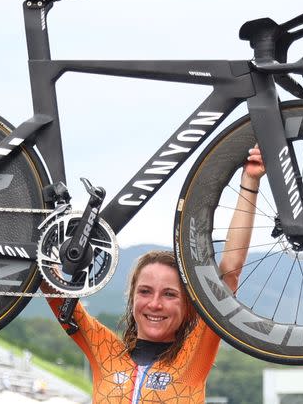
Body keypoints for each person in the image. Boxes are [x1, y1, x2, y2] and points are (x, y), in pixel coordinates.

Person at [44, 146, 264, 403]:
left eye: (169, 294)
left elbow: (229, 274)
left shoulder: (193, 357)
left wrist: (249, 182)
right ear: (132, 298)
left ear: (188, 306)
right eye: (145, 291)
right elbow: (52, 284)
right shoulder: (106, 352)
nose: (155, 304)